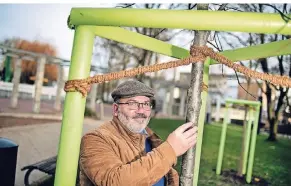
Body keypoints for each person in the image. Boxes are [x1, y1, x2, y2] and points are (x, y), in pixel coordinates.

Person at [79, 80, 198, 186]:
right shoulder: (95, 139)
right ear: (116, 109)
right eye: (132, 103)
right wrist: (170, 149)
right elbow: (113, 181)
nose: (141, 110)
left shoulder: (152, 137)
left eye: (146, 104)